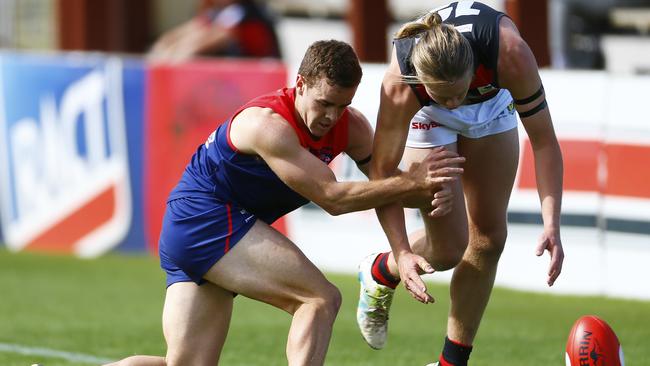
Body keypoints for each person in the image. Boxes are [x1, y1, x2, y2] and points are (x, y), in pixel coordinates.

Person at [106, 40, 465, 366]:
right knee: (319, 299)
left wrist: (413, 218)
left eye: (342, 106)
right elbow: (333, 199)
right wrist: (413, 184)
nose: (331, 116)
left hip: (201, 227)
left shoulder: (351, 128)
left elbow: (385, 185)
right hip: (207, 219)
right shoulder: (268, 125)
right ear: (301, 84)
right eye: (324, 103)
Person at [355, 2, 565, 365]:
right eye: (443, 95)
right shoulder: (401, 85)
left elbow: (545, 141)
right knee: (450, 249)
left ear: (473, 67)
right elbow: (382, 176)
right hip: (427, 117)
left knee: (489, 238)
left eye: (457, 92)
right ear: (422, 82)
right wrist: (402, 251)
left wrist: (552, 222)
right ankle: (381, 270)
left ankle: (451, 363)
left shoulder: (510, 55)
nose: (453, 105)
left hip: (491, 101)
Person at [148, 0, 281, 63]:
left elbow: (214, 38)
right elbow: (192, 29)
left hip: (258, 85)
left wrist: (171, 59)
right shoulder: (216, 11)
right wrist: (161, 51)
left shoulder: (247, 12)